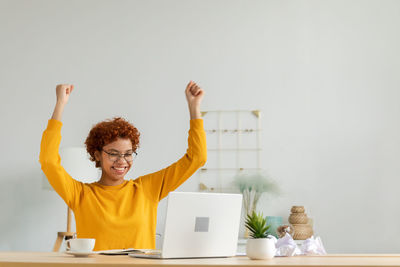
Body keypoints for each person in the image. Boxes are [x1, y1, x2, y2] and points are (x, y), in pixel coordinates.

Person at [39, 81, 207, 251]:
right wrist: (60, 104)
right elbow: (48, 161)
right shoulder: (80, 195)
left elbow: (197, 158)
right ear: (97, 155)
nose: (122, 161)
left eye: (128, 154)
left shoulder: (148, 189)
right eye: (113, 153)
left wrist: (194, 107)